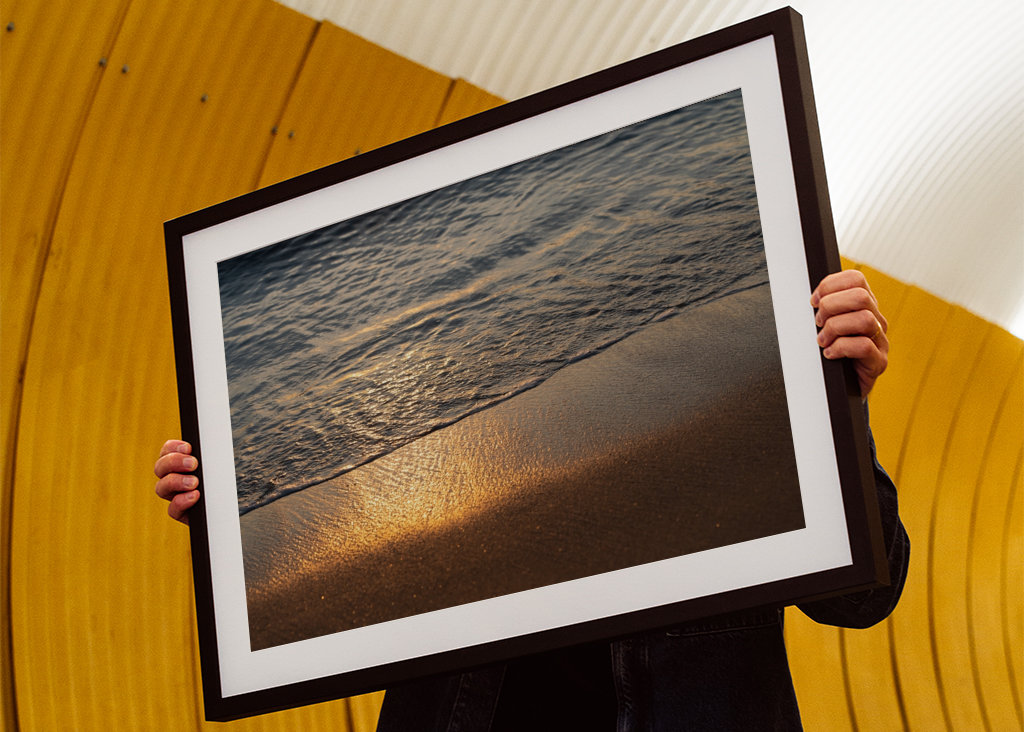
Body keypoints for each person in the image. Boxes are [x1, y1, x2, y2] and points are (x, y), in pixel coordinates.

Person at [154, 269, 909, 730]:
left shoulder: (744, 407)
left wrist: (837, 402)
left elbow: (865, 596)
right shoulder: (451, 460)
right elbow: (346, 566)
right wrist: (240, 506)